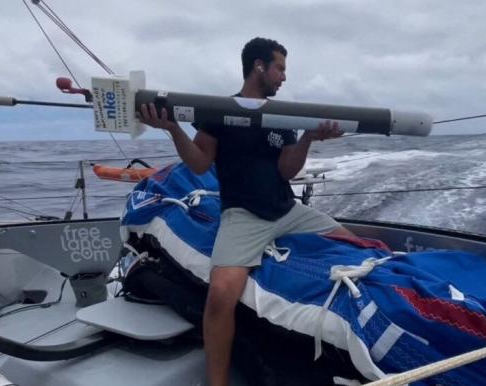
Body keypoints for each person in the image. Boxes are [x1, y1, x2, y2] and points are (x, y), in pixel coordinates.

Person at [139, 37, 358, 386]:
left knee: (354, 244)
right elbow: (199, 164)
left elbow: (286, 171)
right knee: (220, 297)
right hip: (242, 216)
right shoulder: (217, 112)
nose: (284, 77)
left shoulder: (282, 117)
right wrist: (172, 128)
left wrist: (306, 139)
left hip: (287, 210)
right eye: (280, 68)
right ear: (259, 66)